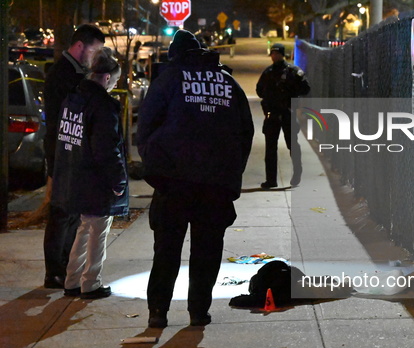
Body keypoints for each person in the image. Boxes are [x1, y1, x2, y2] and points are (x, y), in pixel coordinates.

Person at [137, 30, 254, 328]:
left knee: (166, 250)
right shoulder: (228, 83)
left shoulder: (169, 79)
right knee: (207, 251)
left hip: (173, 182)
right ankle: (199, 311)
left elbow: (146, 127)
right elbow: (245, 133)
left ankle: (158, 312)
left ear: (176, 55)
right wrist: (231, 172)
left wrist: (157, 168)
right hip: (215, 185)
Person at [51, 47, 128, 299]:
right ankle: (91, 283)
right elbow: (106, 149)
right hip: (95, 179)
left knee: (84, 228)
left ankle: (72, 279)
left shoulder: (73, 99)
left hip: (75, 174)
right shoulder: (103, 106)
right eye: (115, 81)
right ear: (106, 77)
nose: (114, 85)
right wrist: (118, 181)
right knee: (98, 229)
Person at [43, 24, 106, 289]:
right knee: (61, 211)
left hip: (69, 150)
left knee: (71, 213)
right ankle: (54, 271)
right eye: (94, 49)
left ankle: (65, 268)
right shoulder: (63, 74)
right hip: (62, 151)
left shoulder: (74, 72)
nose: (95, 56)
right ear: (80, 45)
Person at [256, 43, 310, 189]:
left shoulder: (293, 71)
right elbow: (259, 90)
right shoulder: (268, 72)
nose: (274, 56)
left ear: (282, 54)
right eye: (272, 54)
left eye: (276, 54)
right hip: (272, 114)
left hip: (287, 112)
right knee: (270, 148)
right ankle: (271, 179)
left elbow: (305, 88)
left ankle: (297, 173)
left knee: (292, 145)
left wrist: (291, 95)